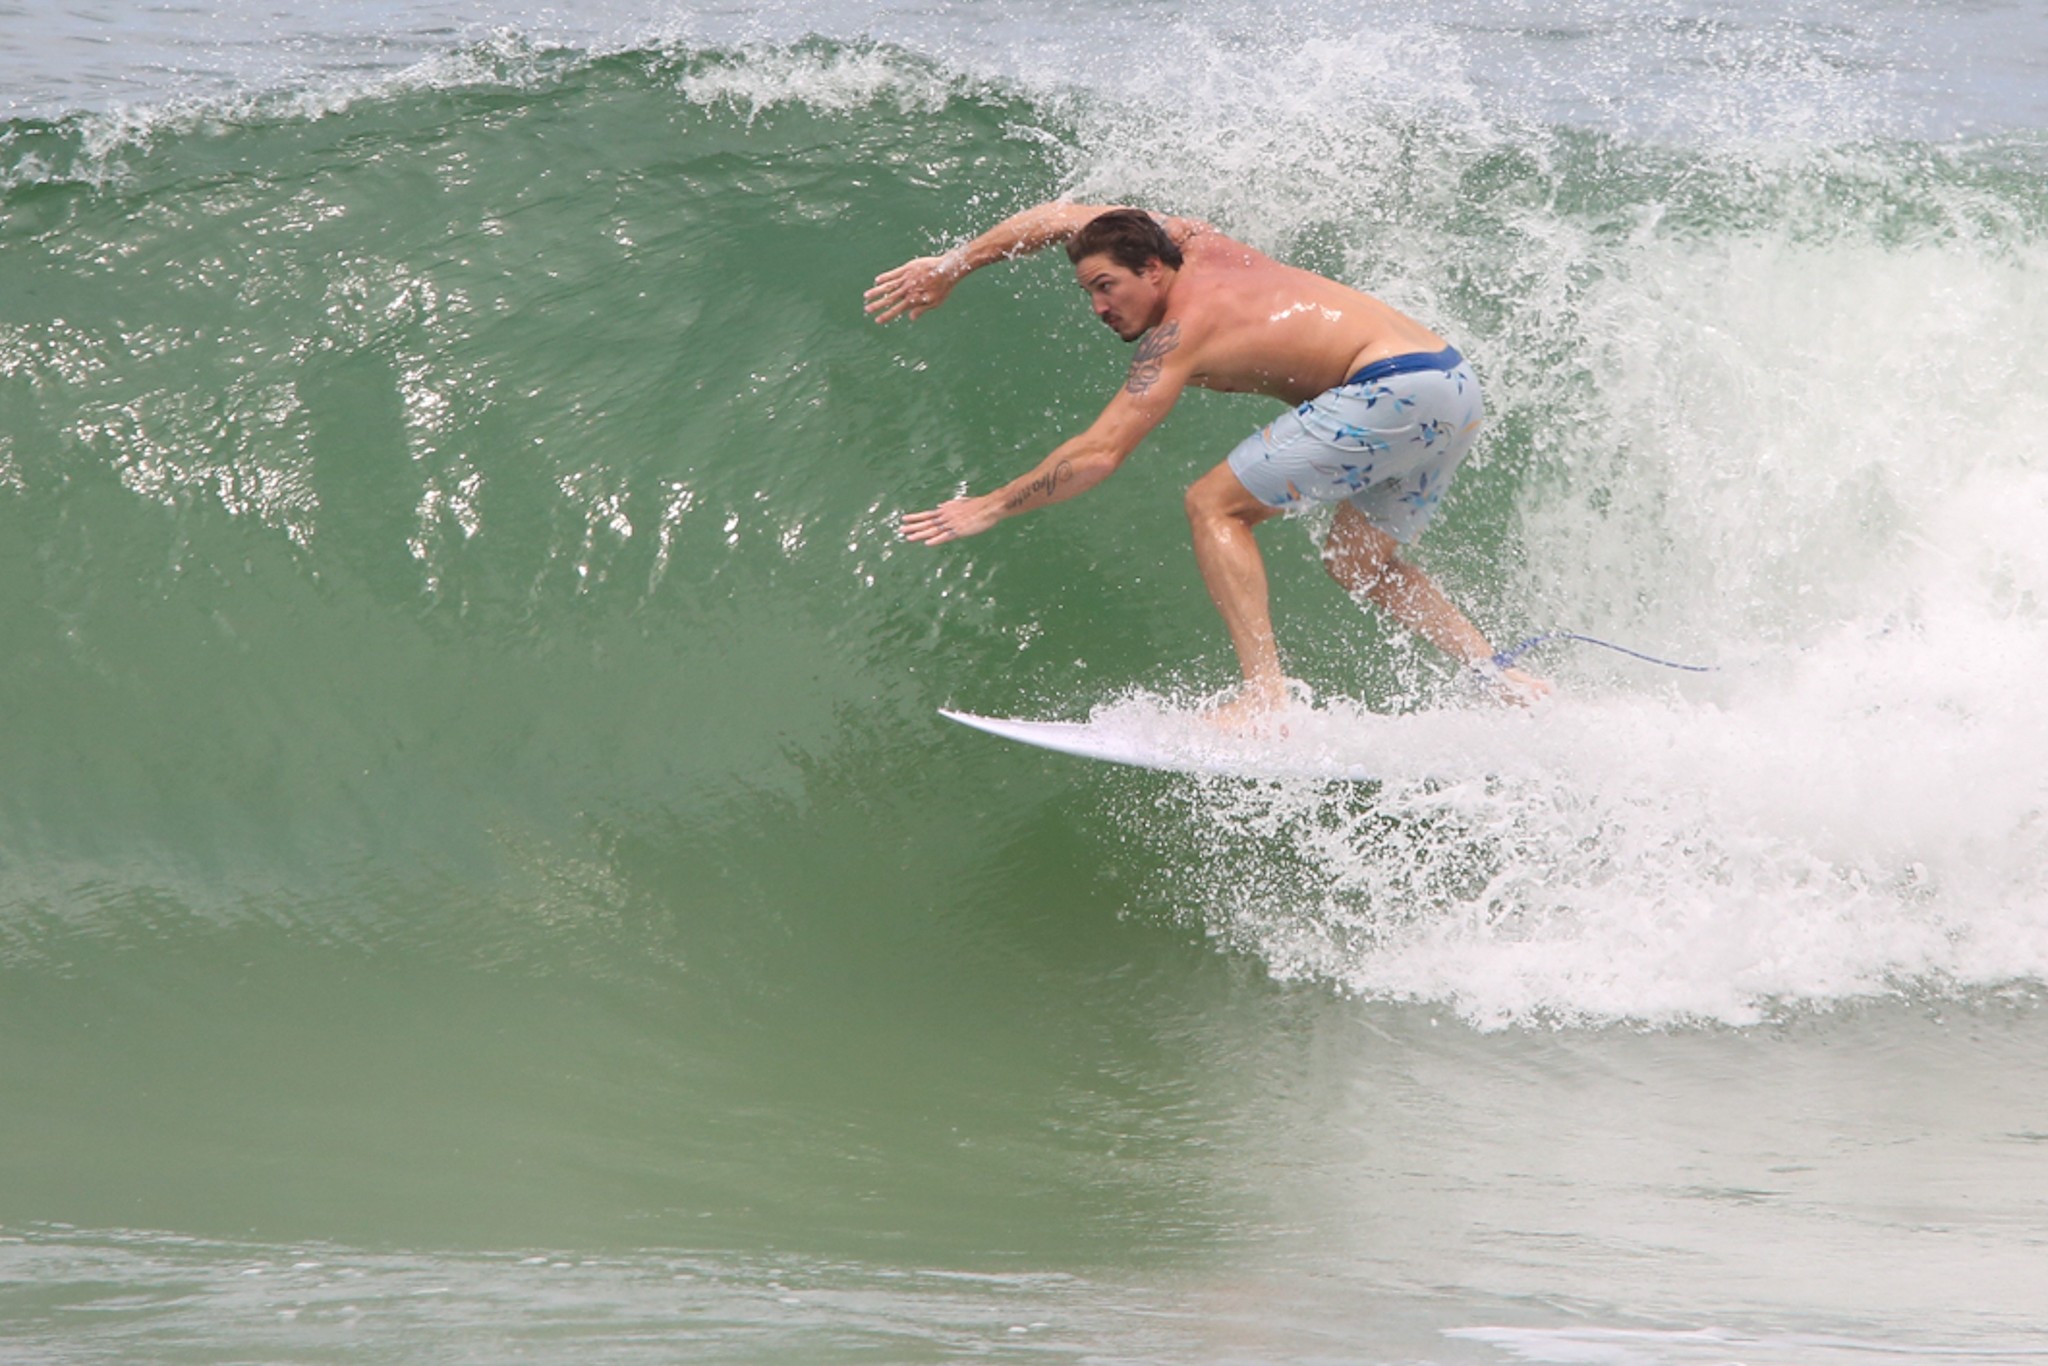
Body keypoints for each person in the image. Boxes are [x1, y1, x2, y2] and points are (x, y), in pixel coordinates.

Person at [866, 201, 1548, 723]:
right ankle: (1499, 674)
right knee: (1355, 563)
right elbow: (1053, 218)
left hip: (1389, 386)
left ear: (1152, 270)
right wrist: (950, 267)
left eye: (1107, 287)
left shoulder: (1179, 335)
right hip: (1453, 388)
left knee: (1213, 505)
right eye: (1088, 293)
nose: (1099, 307)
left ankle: (1264, 695)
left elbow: (1099, 454)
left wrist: (987, 507)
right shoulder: (1190, 237)